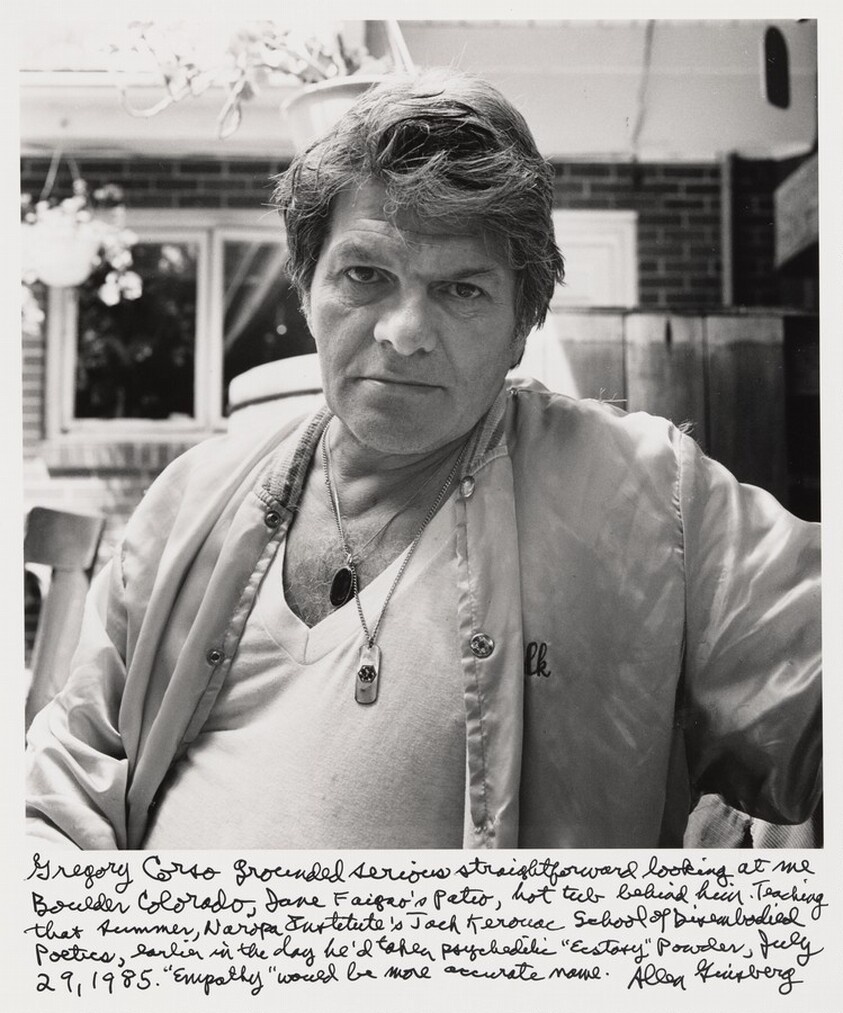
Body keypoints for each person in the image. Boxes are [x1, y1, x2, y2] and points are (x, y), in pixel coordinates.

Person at [26, 68, 821, 850]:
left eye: (461, 290)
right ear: (306, 289)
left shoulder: (652, 499)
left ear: (521, 323)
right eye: (365, 275)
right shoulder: (190, 498)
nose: (403, 330)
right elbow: (70, 766)